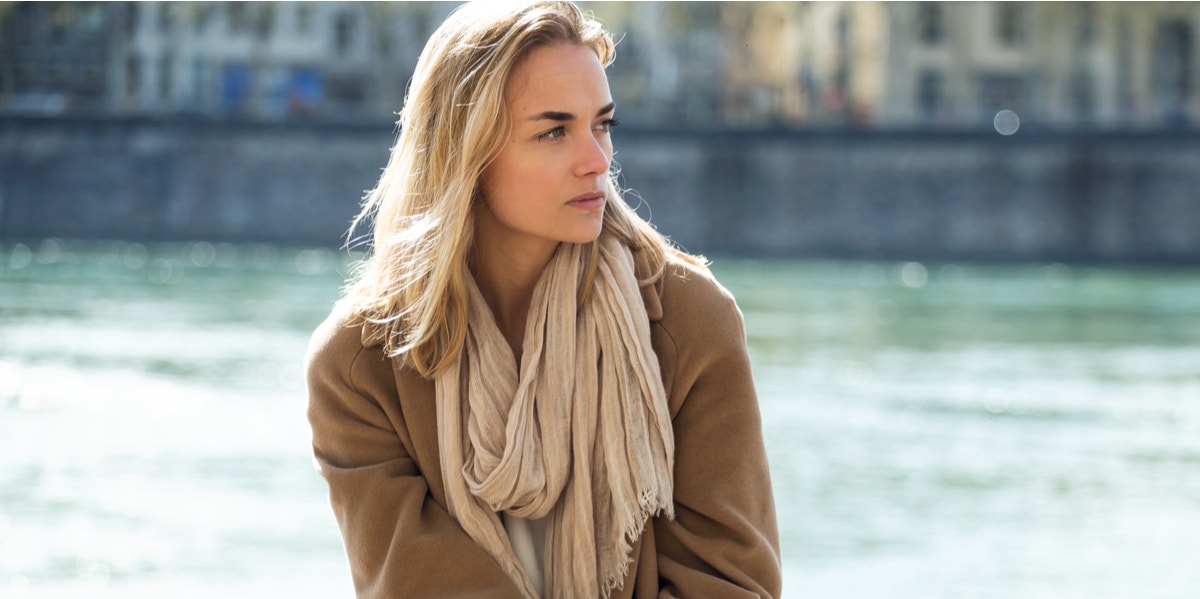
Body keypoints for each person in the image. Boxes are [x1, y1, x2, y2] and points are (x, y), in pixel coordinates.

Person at [304, 2, 781, 597]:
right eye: (554, 131)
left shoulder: (688, 321)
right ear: (465, 155)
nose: (597, 161)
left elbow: (732, 585)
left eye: (602, 124)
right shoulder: (359, 363)